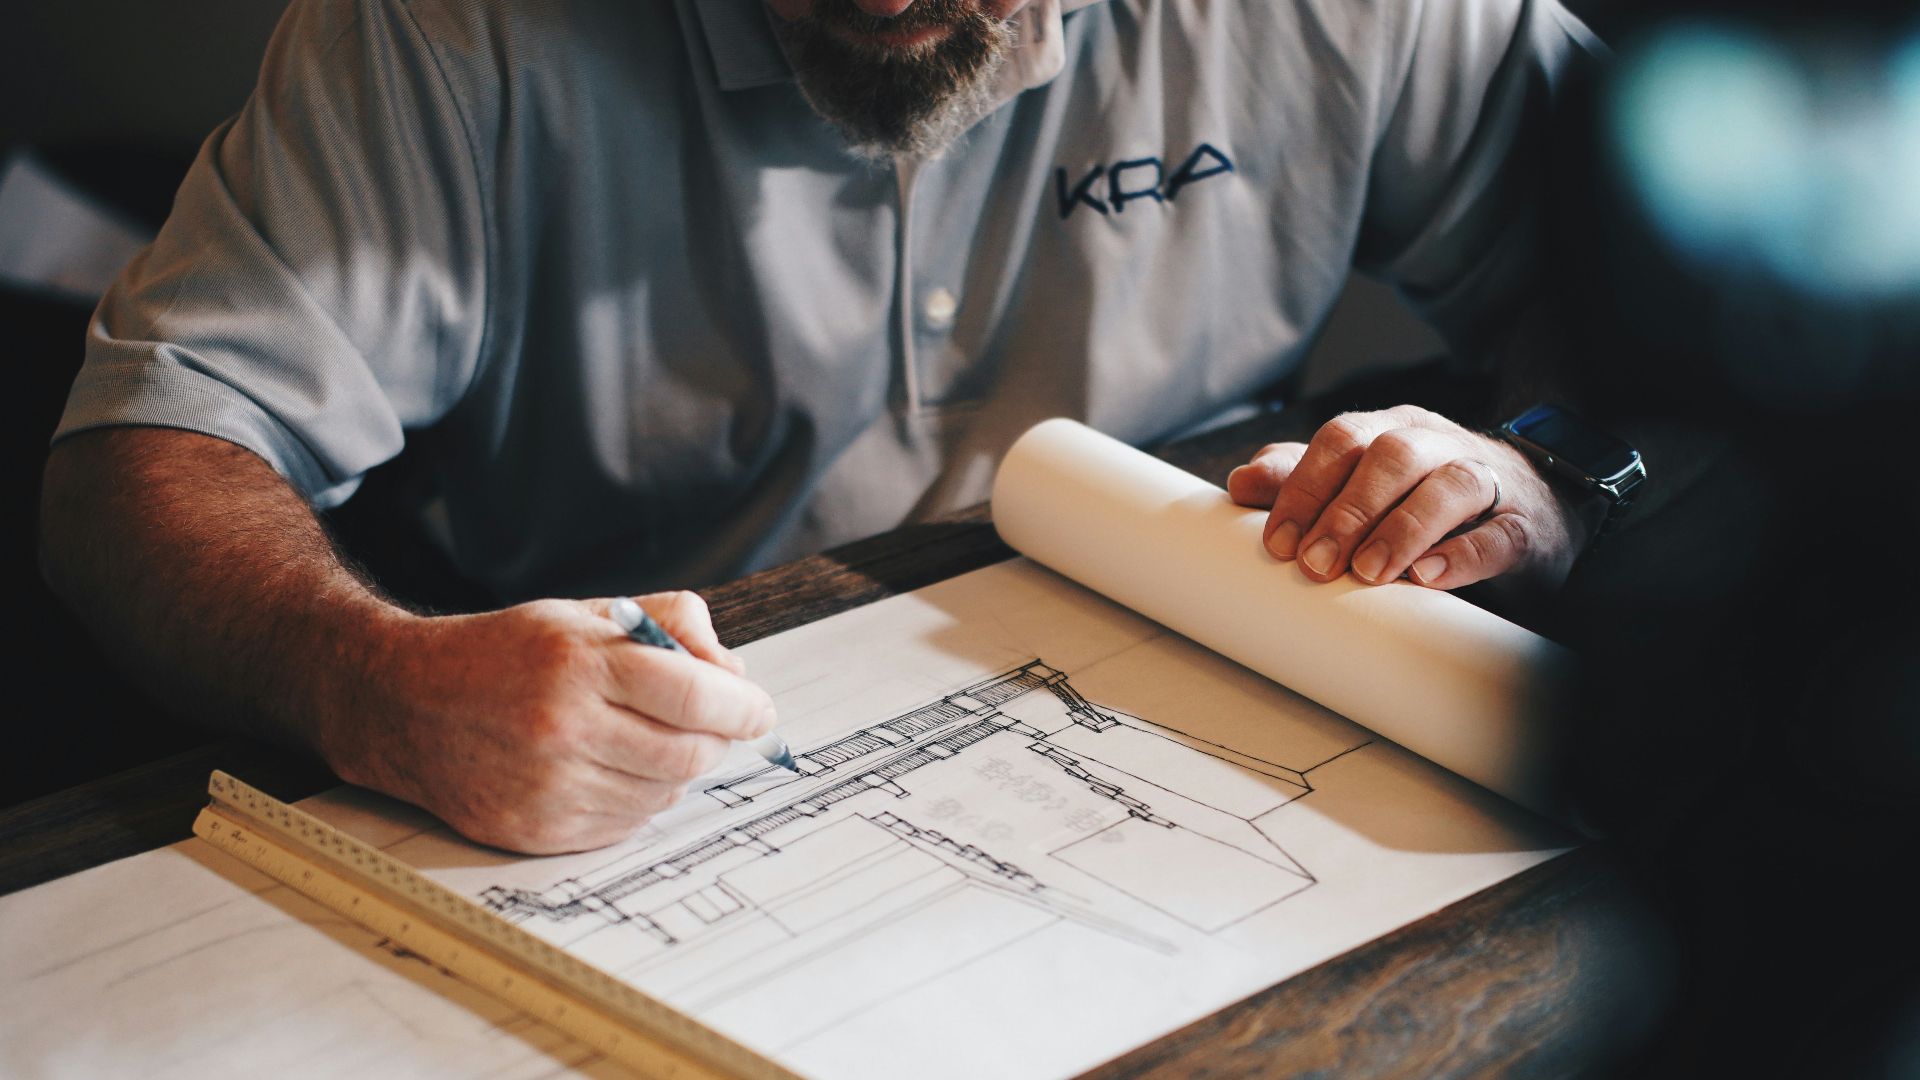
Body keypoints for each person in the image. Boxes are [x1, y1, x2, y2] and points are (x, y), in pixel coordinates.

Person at [39, 0, 1603, 853]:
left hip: (1253, 744)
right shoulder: (447, 35)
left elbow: (1716, 320)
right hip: (647, 769)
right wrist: (364, 678)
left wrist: (1545, 464)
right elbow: (145, 456)